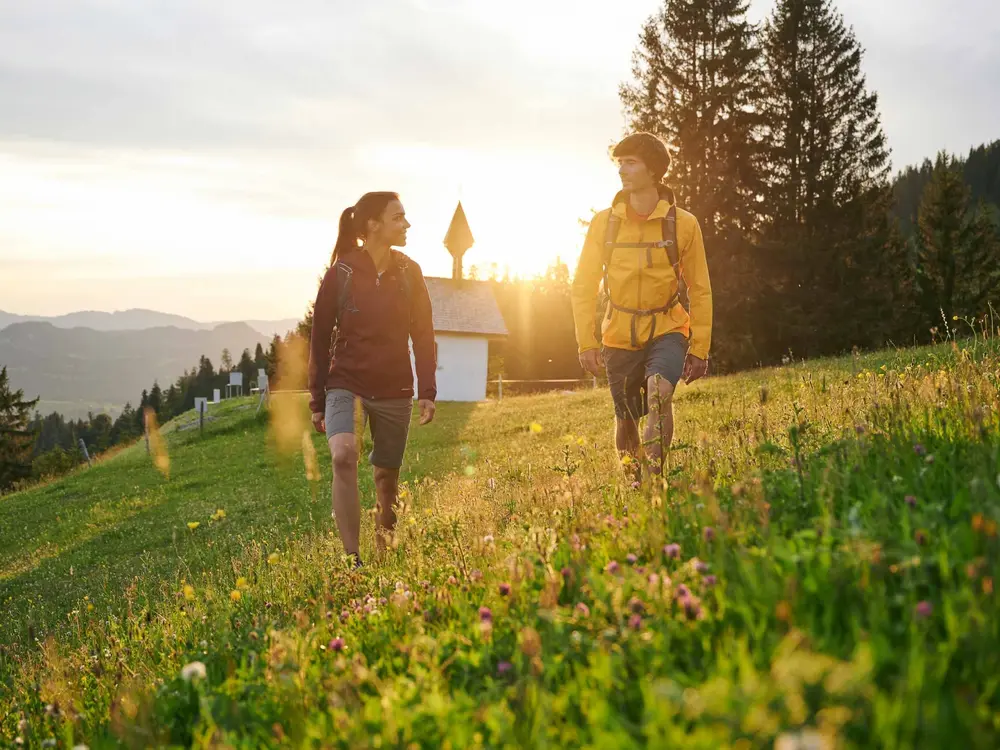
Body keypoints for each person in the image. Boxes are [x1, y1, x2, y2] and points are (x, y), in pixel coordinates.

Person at [571, 133, 712, 480]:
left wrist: (700, 348)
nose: (622, 170)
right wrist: (586, 342)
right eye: (620, 162)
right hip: (617, 334)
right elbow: (584, 285)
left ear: (654, 170)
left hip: (667, 328)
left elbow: (701, 289)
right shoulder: (604, 223)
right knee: (626, 418)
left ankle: (654, 482)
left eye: (630, 162)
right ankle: (634, 486)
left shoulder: (684, 224)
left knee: (659, 394)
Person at [308, 192, 437, 568]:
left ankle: (386, 553)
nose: (407, 224)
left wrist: (427, 389)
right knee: (343, 455)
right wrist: (317, 398)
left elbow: (424, 334)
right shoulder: (342, 273)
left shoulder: (410, 273)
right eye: (398, 218)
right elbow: (318, 338)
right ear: (372, 226)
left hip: (395, 387)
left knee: (386, 479)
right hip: (345, 382)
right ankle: (353, 561)